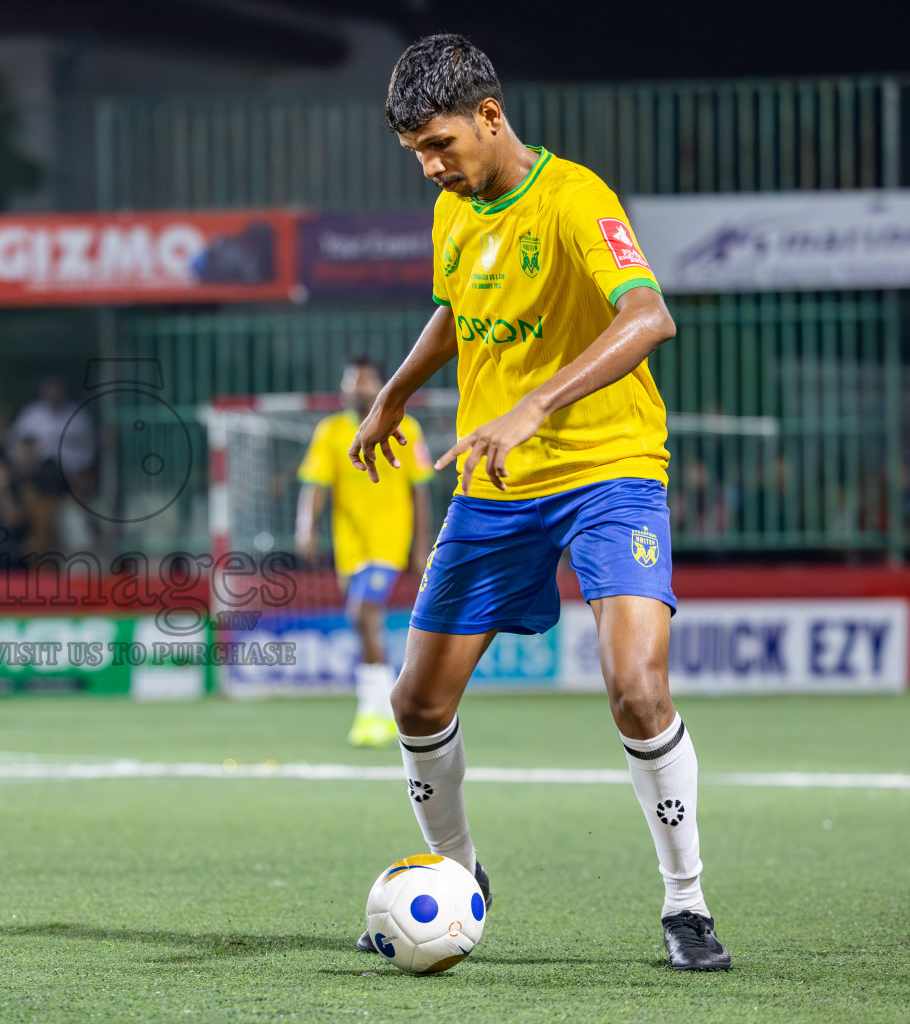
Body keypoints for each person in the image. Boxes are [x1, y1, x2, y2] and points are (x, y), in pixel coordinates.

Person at [348, 35, 729, 971]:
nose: (433, 168)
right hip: (497, 477)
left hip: (608, 468)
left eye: (440, 145)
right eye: (417, 156)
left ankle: (688, 906)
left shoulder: (575, 199)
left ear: (490, 116)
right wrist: (396, 392)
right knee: (416, 702)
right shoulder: (456, 209)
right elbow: (457, 308)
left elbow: (649, 317)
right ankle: (458, 881)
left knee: (639, 694)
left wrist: (532, 405)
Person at [295, 357, 432, 748]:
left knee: (362, 613)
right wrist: (306, 526)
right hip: (349, 549)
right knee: (366, 623)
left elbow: (419, 488)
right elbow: (316, 483)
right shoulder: (331, 431)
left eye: (367, 380)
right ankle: (384, 711)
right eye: (351, 380)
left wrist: (420, 545)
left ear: (382, 386)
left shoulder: (407, 427)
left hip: (389, 542)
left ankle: (373, 709)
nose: (358, 387)